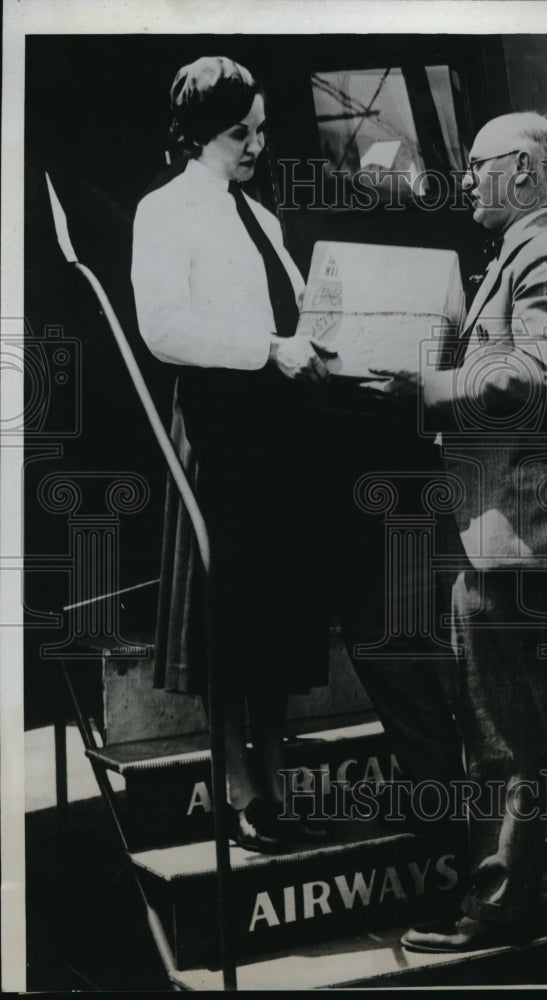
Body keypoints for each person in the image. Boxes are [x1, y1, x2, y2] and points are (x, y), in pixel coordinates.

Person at [361, 111, 547, 950]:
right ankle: (493, 895)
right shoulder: (521, 257)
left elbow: (536, 382)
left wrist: (425, 385)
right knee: (498, 723)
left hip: (521, 530)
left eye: (478, 166)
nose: (466, 179)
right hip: (504, 526)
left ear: (524, 172)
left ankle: (500, 913)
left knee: (507, 734)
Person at [131, 56, 331, 852]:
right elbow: (162, 329)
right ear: (197, 132)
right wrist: (267, 349)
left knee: (275, 616)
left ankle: (274, 783)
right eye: (239, 131)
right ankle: (237, 788)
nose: (255, 144)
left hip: (277, 431)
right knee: (228, 620)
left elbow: (293, 313)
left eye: (259, 130)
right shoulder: (165, 211)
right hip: (219, 430)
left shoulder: (262, 215)